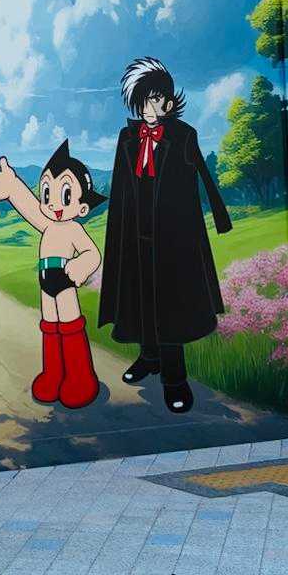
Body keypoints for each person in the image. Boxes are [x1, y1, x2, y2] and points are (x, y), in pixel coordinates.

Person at [97, 57, 231, 413]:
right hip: (134, 236)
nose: (149, 110)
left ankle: (175, 380)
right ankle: (149, 358)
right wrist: (119, 235)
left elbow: (204, 175)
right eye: (142, 102)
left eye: (155, 100)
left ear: (168, 101)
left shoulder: (184, 135)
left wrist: (220, 217)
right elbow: (121, 186)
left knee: (171, 308)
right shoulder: (127, 137)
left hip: (173, 237)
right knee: (140, 300)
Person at [0, 141, 107, 408]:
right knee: (50, 326)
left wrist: (81, 266)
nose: (54, 204)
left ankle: (81, 378)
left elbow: (92, 253)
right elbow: (29, 207)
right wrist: (12, 186)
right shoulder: (47, 224)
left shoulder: (73, 229)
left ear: (82, 208)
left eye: (66, 196)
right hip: (46, 279)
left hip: (64, 279)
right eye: (47, 194)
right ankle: (54, 375)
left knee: (70, 326)